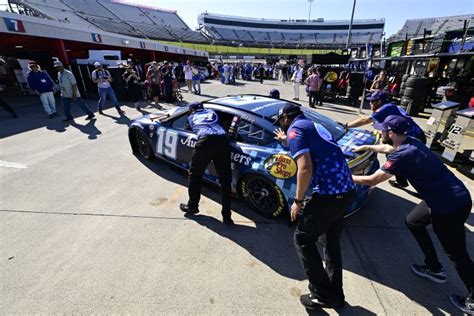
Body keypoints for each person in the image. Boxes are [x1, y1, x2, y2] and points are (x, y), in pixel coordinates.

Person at [352, 115, 473, 315]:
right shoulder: (410, 142)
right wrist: (368, 148)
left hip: (449, 206)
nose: (380, 132)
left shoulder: (402, 155)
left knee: (457, 254)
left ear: (390, 133)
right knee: (413, 222)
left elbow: (372, 180)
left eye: (383, 130)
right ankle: (433, 268)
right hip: (449, 196)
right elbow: (389, 149)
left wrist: (344, 174)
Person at [274, 103, 356, 310]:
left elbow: (305, 168)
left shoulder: (294, 130)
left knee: (302, 239)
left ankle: (322, 295)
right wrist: (286, 141)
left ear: (285, 118)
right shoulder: (312, 124)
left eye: (281, 123)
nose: (282, 128)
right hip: (346, 191)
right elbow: (315, 146)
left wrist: (298, 201)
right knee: (330, 242)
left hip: (328, 195)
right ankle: (336, 295)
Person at [345, 91, 426, 188]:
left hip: (412, 137)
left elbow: (365, 120)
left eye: (372, 101)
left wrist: (346, 126)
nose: (370, 103)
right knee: (395, 156)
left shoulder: (384, 109)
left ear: (379, 102)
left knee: (401, 160)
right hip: (412, 136)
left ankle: (415, 183)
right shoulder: (391, 106)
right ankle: (402, 181)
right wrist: (367, 146)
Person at [179, 102, 233, 225]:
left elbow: (188, 128)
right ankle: (227, 216)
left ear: (191, 110)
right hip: (223, 140)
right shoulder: (212, 112)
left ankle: (192, 206)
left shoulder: (191, 117)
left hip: (205, 141)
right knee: (225, 180)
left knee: (195, 175)